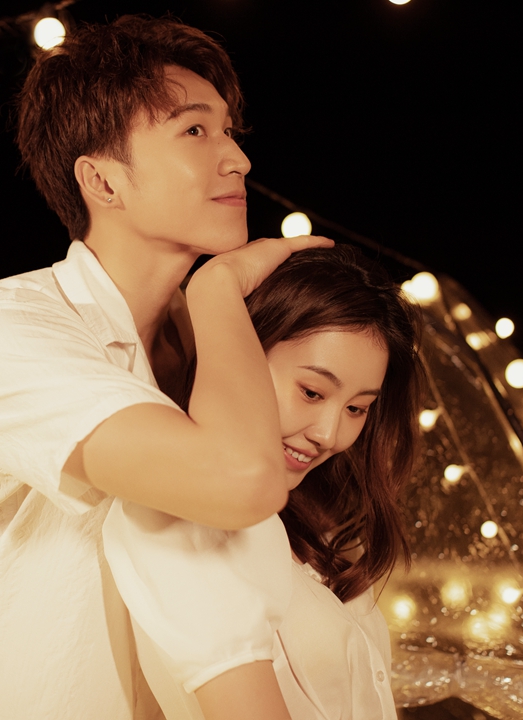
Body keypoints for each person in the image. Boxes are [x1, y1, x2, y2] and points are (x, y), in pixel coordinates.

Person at [0, 15, 330, 719]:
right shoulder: (14, 326)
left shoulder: (210, 350)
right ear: (102, 181)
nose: (238, 159)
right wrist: (218, 288)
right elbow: (242, 483)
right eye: (195, 130)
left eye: (229, 131)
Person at [103, 245, 425, 720]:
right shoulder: (182, 518)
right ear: (239, 354)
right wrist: (216, 285)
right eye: (311, 392)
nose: (329, 434)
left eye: (357, 408)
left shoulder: (312, 527)